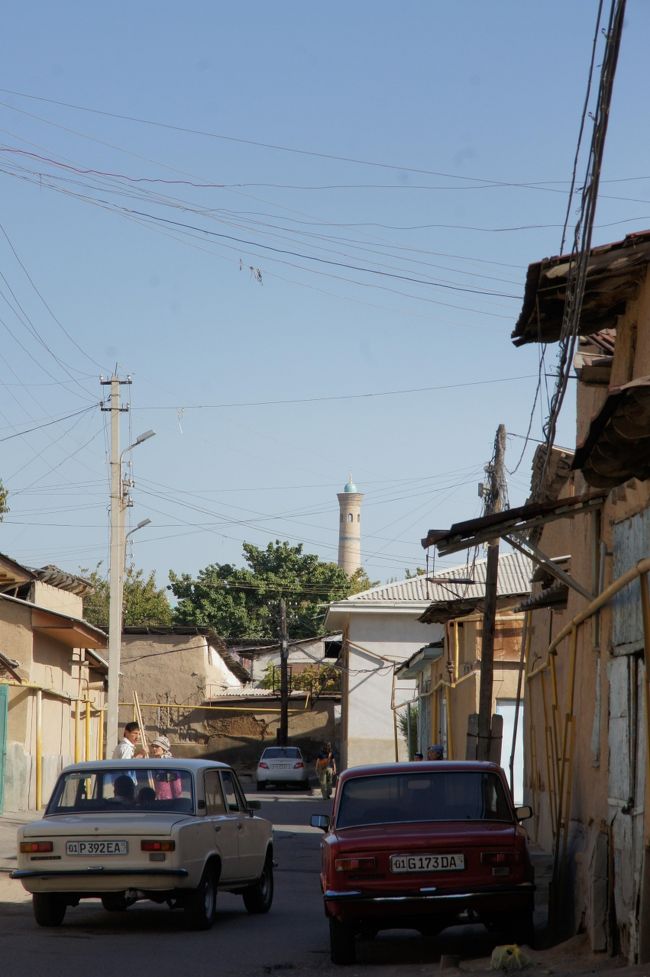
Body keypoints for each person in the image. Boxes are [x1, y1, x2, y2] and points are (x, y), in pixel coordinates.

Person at [150, 735, 182, 800]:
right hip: (159, 798)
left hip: (169, 799)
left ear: (164, 748)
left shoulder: (170, 762)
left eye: (157, 747)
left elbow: (176, 785)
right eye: (153, 746)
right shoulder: (156, 762)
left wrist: (177, 800)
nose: (154, 749)